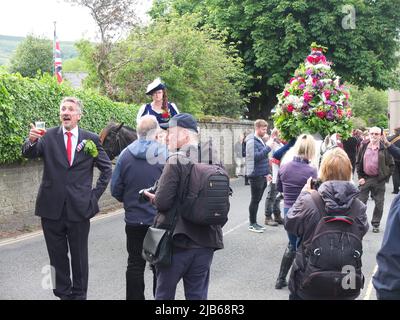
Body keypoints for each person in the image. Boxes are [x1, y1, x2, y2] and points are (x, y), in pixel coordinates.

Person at [22, 97, 112, 300]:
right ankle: (63, 295)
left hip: (80, 208)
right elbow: (28, 153)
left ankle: (79, 295)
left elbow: (107, 170)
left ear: (78, 115)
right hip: (50, 208)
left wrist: (93, 196)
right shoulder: (47, 136)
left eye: (71, 109)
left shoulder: (90, 139)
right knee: (57, 256)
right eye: (63, 108)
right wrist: (32, 140)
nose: (66, 112)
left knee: (79, 257)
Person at [144, 113, 224, 300]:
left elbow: (163, 202)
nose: (167, 137)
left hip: (176, 242)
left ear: (185, 136)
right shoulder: (214, 158)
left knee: (164, 295)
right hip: (206, 241)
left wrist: (152, 198)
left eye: (171, 132)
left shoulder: (175, 160)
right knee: (197, 296)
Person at [285, 147, 369, 300]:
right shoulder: (359, 207)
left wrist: (304, 193)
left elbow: (290, 224)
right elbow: (362, 231)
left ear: (322, 170)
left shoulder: (310, 200)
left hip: (309, 280)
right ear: (349, 172)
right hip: (346, 280)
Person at [110, 115, 167, 300]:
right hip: (158, 220)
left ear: (137, 131)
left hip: (134, 220)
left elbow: (115, 189)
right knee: (158, 265)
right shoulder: (165, 154)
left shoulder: (125, 155)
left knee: (134, 264)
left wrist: (129, 202)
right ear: (157, 132)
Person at [275, 134, 318, 289]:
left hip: (288, 210)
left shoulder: (284, 167)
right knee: (304, 246)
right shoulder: (312, 171)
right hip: (306, 211)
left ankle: (280, 279)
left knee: (293, 244)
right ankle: (299, 281)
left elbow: (279, 188)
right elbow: (316, 192)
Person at [356, 126, 394, 233]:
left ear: (381, 135)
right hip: (365, 178)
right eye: (372, 133)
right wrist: (360, 177)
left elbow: (391, 164)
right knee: (361, 203)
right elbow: (358, 162)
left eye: (376, 134)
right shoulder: (363, 146)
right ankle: (360, 224)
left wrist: (385, 177)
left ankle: (375, 223)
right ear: (369, 134)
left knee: (379, 204)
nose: (373, 136)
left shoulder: (385, 148)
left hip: (379, 179)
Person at [245, 119, 274, 233]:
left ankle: (254, 222)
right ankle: (252, 223)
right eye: (263, 129)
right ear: (257, 128)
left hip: (261, 174)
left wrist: (267, 173)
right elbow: (255, 157)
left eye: (266, 129)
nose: (265, 131)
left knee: (257, 200)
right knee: (255, 200)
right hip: (255, 175)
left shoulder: (259, 140)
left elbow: (263, 159)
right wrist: (268, 147)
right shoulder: (251, 141)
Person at [386, 126, 400, 194]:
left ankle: (396, 189)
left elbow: (387, 141)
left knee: (395, 174)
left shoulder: (392, 138)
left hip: (394, 158)